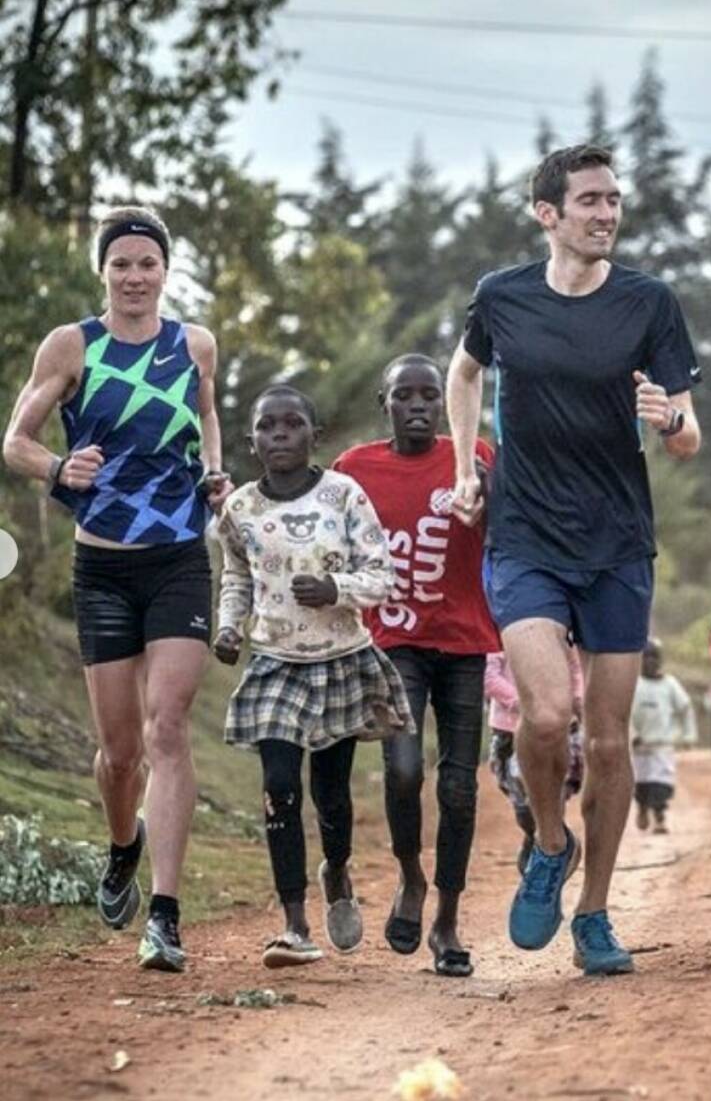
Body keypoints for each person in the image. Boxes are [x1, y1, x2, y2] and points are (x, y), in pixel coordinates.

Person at [446, 143, 702, 976]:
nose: (606, 214)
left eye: (613, 200)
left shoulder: (649, 304)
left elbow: (690, 435)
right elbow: (463, 373)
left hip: (618, 545)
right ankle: (549, 842)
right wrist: (463, 469)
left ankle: (594, 911)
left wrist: (668, 419)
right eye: (589, 200)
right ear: (547, 214)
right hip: (525, 536)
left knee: (610, 740)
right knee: (546, 716)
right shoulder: (503, 296)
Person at [2, 206, 231, 972]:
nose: (135, 277)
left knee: (168, 725)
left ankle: (164, 915)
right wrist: (57, 468)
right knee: (120, 751)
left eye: (148, 263)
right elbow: (16, 439)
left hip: (177, 559)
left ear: (166, 270)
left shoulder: (193, 343)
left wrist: (214, 475)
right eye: (121, 264)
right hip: (101, 566)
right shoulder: (73, 345)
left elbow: (204, 417)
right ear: (103, 271)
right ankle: (123, 843)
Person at [214, 385, 412, 969]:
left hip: (340, 661)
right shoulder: (241, 509)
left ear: (313, 435)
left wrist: (336, 590)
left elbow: (383, 574)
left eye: (292, 425)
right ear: (252, 441)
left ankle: (339, 871)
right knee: (279, 784)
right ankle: (295, 924)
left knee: (330, 793)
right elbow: (236, 574)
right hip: (274, 663)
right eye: (267, 427)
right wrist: (230, 626)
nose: (280, 435)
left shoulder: (344, 495)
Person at [331, 354, 501, 977]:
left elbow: (512, 526)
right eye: (406, 395)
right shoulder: (355, 469)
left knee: (458, 785)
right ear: (386, 403)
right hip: (392, 643)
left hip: (463, 642)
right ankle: (409, 875)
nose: (421, 406)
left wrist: (487, 508)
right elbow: (322, 532)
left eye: (431, 394)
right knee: (402, 770)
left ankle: (449, 922)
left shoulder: (475, 458)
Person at [485, 649, 586, 873]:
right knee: (523, 804)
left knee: (553, 793)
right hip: (509, 730)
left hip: (556, 727)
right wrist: (524, 703)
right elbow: (490, 677)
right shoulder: (500, 630)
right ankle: (536, 836)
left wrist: (576, 700)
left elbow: (576, 669)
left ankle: (553, 849)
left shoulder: (559, 627)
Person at [630, 638, 696, 834]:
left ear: (660, 660)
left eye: (655, 657)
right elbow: (623, 714)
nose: (650, 661)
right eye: (646, 657)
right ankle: (642, 808)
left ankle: (659, 817)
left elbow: (685, 708)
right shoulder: (633, 684)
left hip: (662, 745)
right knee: (641, 783)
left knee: (661, 784)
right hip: (639, 746)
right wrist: (632, 735)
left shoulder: (670, 685)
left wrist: (688, 734)